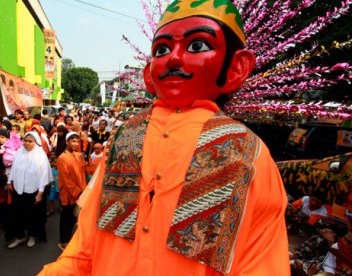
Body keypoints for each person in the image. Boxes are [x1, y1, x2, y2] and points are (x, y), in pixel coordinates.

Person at [39, 0, 289, 275]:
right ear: (149, 73)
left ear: (236, 67)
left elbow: (262, 263)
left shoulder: (247, 152)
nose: (174, 59)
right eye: (162, 49)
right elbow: (85, 245)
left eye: (197, 45)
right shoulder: (126, 138)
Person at [6, 132, 53, 249]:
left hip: (33, 191)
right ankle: (20, 236)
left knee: (33, 215)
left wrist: (40, 193)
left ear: (35, 142)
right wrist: (9, 181)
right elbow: (14, 168)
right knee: (18, 214)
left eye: (30, 141)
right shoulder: (19, 153)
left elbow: (43, 176)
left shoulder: (40, 156)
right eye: (25, 140)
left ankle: (32, 235)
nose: (27, 143)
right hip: (19, 189)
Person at [56, 132, 87, 251]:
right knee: (66, 218)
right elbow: (66, 180)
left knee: (75, 216)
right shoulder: (62, 158)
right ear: (67, 142)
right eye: (72, 141)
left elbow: (84, 171)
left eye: (77, 141)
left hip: (80, 191)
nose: (75, 143)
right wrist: (78, 191)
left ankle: (70, 239)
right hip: (69, 193)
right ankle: (63, 241)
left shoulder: (79, 155)